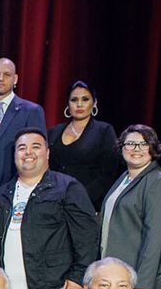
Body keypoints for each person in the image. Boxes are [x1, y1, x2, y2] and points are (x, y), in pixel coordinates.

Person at [0, 129, 98, 289]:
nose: (28, 152)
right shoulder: (2, 194)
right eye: (21, 148)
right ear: (14, 155)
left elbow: (87, 235)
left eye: (36, 147)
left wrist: (78, 276)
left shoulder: (66, 187)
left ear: (47, 153)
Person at [99, 125, 161, 289]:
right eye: (131, 143)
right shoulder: (125, 178)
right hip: (125, 271)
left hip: (147, 274)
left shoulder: (158, 182)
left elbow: (156, 235)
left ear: (153, 149)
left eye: (143, 144)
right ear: (121, 147)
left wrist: (144, 281)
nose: (136, 148)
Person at [48, 81, 121, 210]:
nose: (79, 104)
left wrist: (81, 198)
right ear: (68, 104)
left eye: (85, 99)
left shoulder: (104, 131)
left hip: (87, 204)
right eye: (74, 100)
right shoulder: (54, 132)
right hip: (55, 203)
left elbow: (108, 173)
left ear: (94, 103)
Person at [0, 58, 47, 192]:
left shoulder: (31, 111)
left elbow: (39, 155)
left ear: (15, 79)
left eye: (7, 75)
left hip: (18, 188)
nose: (0, 78)